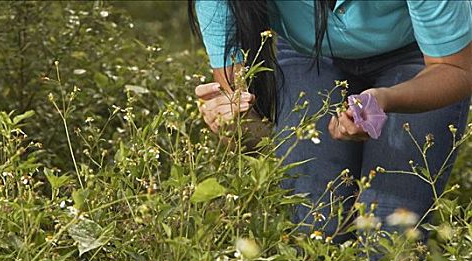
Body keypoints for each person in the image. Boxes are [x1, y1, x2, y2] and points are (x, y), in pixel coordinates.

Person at [188, 0, 472, 238]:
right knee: (314, 226)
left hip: (421, 55)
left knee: (389, 233)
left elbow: (455, 68)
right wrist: (233, 122)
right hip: (309, 54)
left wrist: (385, 99)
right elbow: (256, 140)